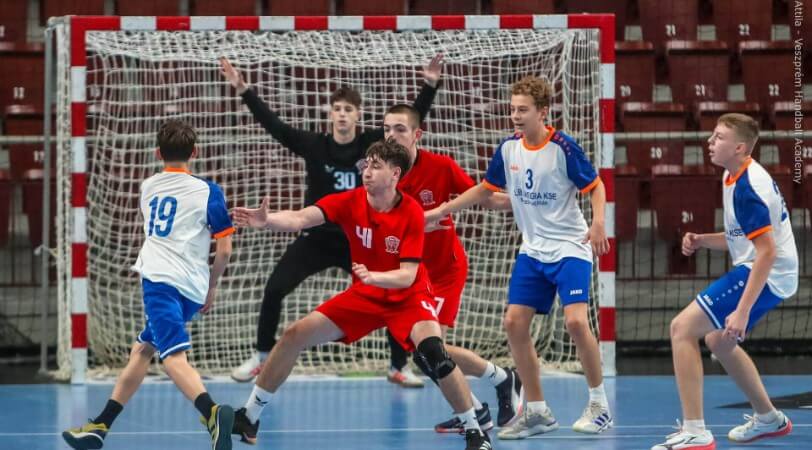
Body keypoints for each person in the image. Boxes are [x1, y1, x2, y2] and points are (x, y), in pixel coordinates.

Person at [229, 139, 492, 450]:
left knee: (434, 352)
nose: (367, 171)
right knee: (294, 335)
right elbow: (301, 218)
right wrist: (267, 220)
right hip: (367, 294)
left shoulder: (411, 211)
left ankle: (475, 432)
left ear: (395, 174)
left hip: (407, 295)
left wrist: (374, 276)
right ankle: (249, 416)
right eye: (366, 165)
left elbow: (407, 275)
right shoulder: (350, 201)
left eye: (376, 166)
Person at [220, 55, 444, 387]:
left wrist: (430, 86)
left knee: (391, 294)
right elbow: (275, 127)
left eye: (348, 109)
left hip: (359, 240)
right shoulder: (314, 145)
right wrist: (244, 90)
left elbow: (406, 125)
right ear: (330, 114)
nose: (342, 114)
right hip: (316, 238)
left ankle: (398, 365)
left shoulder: (372, 146)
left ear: (358, 115)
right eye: (337, 108)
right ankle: (262, 355)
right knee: (275, 287)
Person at [425, 75, 613, 439]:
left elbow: (596, 186)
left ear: (542, 112)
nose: (515, 115)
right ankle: (538, 410)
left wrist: (599, 222)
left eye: (523, 110)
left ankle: (599, 404)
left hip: (570, 247)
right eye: (512, 109)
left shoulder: (562, 147)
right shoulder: (509, 148)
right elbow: (485, 189)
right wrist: (441, 211)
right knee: (513, 323)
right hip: (532, 250)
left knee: (576, 322)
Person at [62, 120, 236, 450]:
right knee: (142, 350)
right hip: (192, 287)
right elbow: (224, 250)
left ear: (157, 153)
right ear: (195, 153)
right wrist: (212, 287)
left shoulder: (148, 186)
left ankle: (212, 413)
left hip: (160, 282)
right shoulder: (210, 192)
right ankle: (100, 426)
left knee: (173, 358)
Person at [651, 113, 796, 450]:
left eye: (718, 137)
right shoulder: (733, 174)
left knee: (681, 328)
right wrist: (702, 240)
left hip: (768, 271)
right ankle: (769, 418)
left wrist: (742, 311)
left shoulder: (748, 187)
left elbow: (767, 253)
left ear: (740, 147)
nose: (710, 142)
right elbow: (741, 238)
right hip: (765, 266)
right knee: (718, 341)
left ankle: (695, 432)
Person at [383, 104, 523, 432]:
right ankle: (478, 406)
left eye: (399, 129)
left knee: (431, 351)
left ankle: (499, 384)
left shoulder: (440, 166)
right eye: (386, 129)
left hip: (444, 272)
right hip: (410, 276)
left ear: (416, 134)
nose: (391, 135)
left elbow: (485, 197)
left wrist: (526, 199)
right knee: (426, 355)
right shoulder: (382, 174)